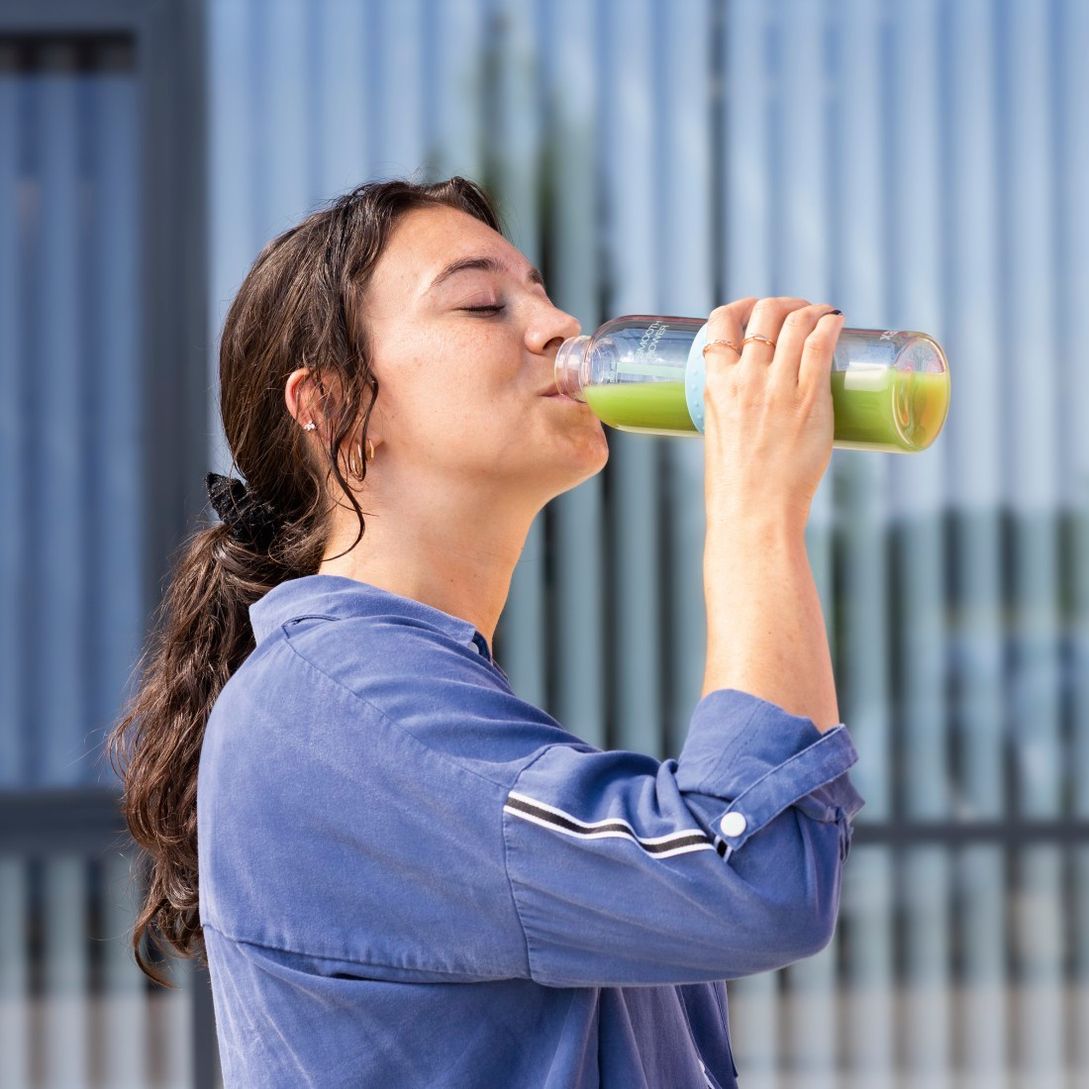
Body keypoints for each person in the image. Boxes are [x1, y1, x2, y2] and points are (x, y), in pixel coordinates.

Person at [108, 176, 863, 1089]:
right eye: (480, 303)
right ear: (337, 408)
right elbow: (750, 876)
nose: (556, 323)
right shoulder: (341, 704)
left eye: (541, 290)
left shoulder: (414, 696)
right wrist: (754, 506)